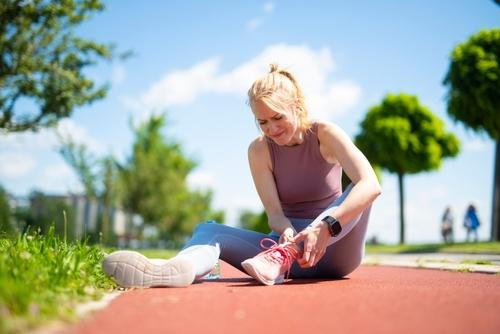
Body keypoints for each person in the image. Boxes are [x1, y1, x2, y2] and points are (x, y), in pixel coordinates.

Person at [102, 64, 381, 287]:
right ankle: (177, 270)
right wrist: (285, 231)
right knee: (208, 231)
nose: (271, 128)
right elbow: (274, 212)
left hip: (336, 249)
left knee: (359, 189)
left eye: (278, 117)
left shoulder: (325, 134)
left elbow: (371, 184)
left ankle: (305, 240)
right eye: (263, 122)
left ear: (297, 106)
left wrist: (326, 226)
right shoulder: (259, 151)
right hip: (278, 258)